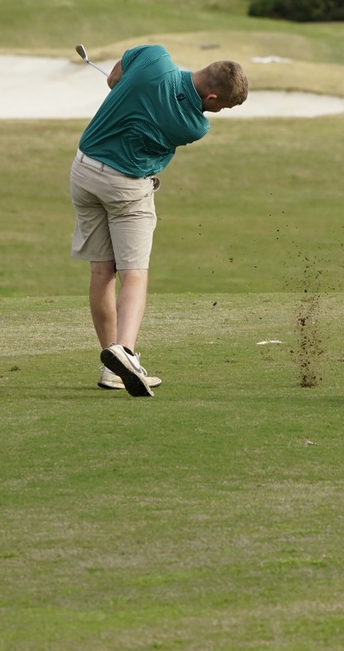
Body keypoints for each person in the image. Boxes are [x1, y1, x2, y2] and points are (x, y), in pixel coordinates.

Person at [70, 46, 248, 396]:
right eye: (222, 106)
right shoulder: (194, 125)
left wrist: (123, 86)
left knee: (101, 271)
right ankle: (125, 352)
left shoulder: (154, 58)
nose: (218, 111)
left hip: (84, 172)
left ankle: (112, 370)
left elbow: (115, 75)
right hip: (127, 188)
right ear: (211, 97)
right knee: (134, 273)